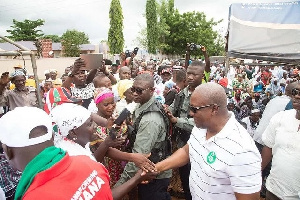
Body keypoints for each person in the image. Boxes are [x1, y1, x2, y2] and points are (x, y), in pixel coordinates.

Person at [0, 107, 157, 200]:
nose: (95, 126)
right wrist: (137, 178)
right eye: (89, 123)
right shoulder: (87, 164)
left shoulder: (33, 195)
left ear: (7, 150)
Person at [156, 82, 262, 200]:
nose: (191, 113)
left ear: (214, 109)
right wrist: (157, 169)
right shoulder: (201, 127)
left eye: (194, 109)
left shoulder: (242, 150)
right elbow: (187, 151)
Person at [115, 74, 172, 200]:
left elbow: (139, 157)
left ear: (151, 91)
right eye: (133, 89)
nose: (134, 93)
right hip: (150, 171)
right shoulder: (142, 105)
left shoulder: (150, 120)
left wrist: (119, 186)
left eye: (139, 90)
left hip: (154, 176)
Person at [163, 60, 206, 200]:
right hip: (182, 143)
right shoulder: (182, 93)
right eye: (189, 73)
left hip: (200, 144)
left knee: (199, 180)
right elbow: (173, 109)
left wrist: (177, 121)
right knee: (186, 178)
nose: (191, 77)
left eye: (195, 74)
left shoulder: (206, 94)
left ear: (203, 75)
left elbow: (201, 121)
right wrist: (165, 111)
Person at [261, 83, 300, 200]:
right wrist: (257, 173)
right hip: (273, 191)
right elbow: (268, 147)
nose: (297, 96)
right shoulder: (280, 117)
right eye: (295, 92)